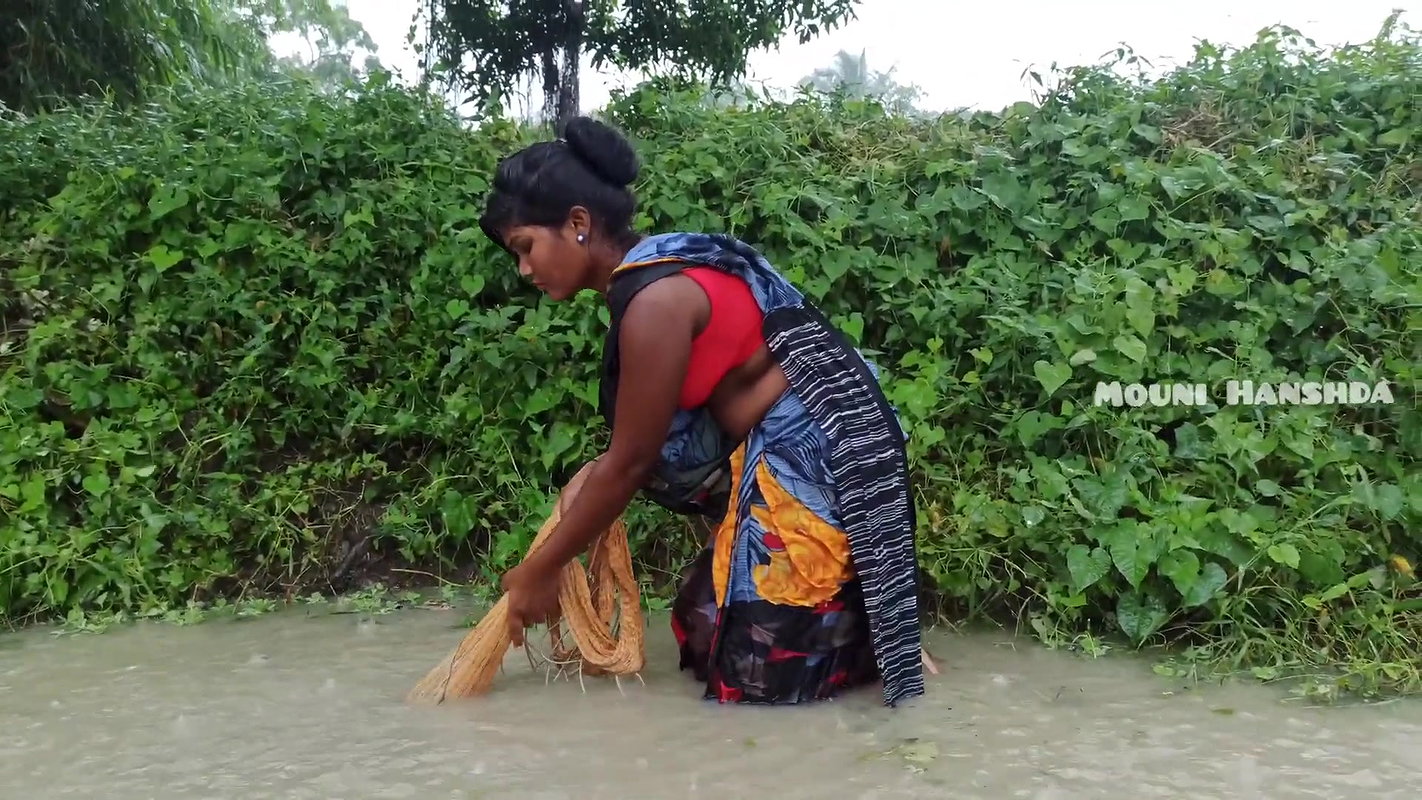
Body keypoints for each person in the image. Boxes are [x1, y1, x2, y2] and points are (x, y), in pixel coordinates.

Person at [479, 115, 924, 708]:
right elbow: (649, 444)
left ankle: (873, 635)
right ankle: (864, 634)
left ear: (578, 223)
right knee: (702, 625)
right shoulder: (652, 283)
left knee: (757, 684)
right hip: (794, 467)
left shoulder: (656, 302)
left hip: (826, 470)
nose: (525, 270)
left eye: (525, 247)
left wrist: (541, 570)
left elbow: (633, 461)